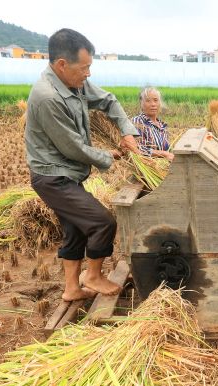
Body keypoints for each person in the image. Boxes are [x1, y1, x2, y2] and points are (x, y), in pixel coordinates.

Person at [25, 28, 140, 301]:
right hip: (52, 177)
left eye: (90, 66)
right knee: (102, 222)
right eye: (84, 68)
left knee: (75, 228)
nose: (88, 73)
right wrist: (107, 156)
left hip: (66, 174)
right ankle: (93, 276)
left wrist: (127, 132)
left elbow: (108, 100)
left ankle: (72, 289)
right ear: (62, 64)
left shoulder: (73, 82)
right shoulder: (48, 97)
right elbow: (72, 147)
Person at [131, 87, 174, 161]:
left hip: (164, 165)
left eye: (155, 100)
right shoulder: (137, 122)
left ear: (160, 103)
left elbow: (167, 150)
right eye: (148, 101)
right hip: (149, 164)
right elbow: (137, 148)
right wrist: (163, 154)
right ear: (141, 103)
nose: (153, 104)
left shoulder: (162, 125)